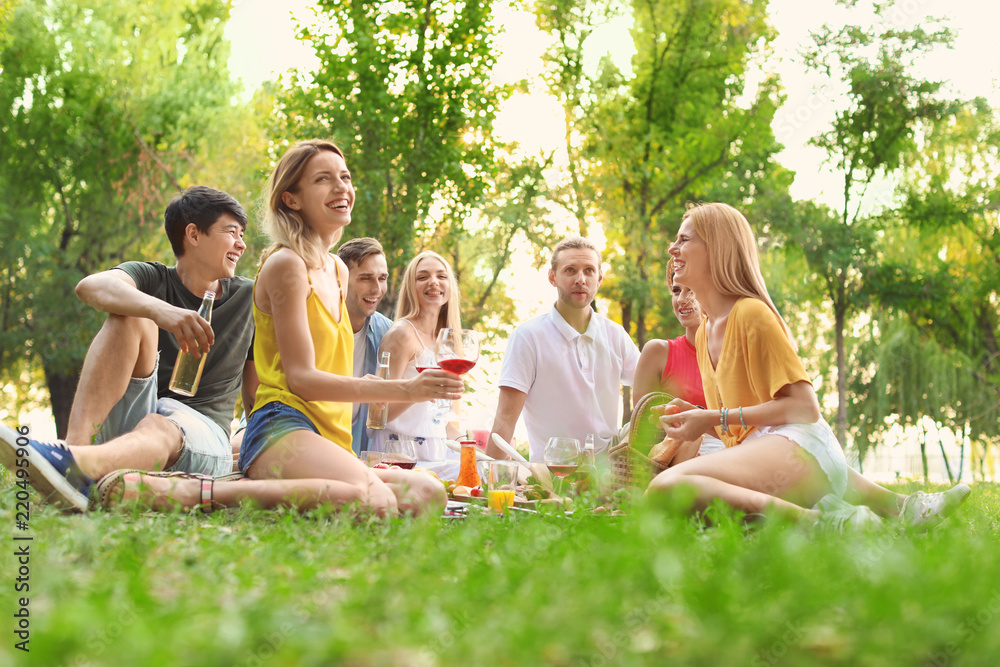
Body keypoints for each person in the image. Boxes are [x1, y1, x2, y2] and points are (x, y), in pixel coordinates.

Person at [646, 203, 971, 529]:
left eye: (684, 239)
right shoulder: (705, 334)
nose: (672, 248)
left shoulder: (750, 314)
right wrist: (697, 419)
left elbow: (804, 408)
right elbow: (739, 430)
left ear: (716, 248)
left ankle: (827, 526)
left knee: (664, 487)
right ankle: (899, 510)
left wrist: (712, 417)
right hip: (769, 451)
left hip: (800, 446)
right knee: (665, 499)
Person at [1, 186, 256, 512]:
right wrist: (161, 311)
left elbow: (257, 391)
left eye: (242, 234)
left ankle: (73, 463)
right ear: (193, 234)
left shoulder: (249, 297)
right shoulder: (153, 278)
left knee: (160, 424)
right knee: (128, 316)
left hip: (202, 436)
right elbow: (90, 286)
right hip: (134, 425)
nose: (241, 243)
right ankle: (72, 456)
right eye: (231, 232)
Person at [486, 236, 640, 463]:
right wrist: (489, 488)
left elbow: (651, 392)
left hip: (610, 476)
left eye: (589, 271)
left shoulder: (616, 335)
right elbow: (505, 420)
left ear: (599, 278)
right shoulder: (528, 337)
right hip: (553, 476)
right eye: (570, 270)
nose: (580, 279)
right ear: (552, 277)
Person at [368, 251, 463, 479]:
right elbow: (376, 417)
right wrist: (417, 393)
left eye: (442, 276)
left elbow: (447, 420)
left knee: (485, 472)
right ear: (411, 287)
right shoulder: (402, 334)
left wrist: (467, 447)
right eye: (422, 277)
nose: (433, 282)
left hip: (439, 450)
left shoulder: (449, 342)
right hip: (399, 453)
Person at [632, 259, 724, 466]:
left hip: (730, 461)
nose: (682, 299)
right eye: (676, 290)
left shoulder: (734, 358)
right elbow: (642, 431)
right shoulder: (658, 353)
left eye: (691, 290)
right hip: (672, 469)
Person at [336, 236, 392, 455]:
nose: (377, 289)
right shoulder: (317, 323)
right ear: (341, 279)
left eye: (382, 278)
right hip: (307, 434)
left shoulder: (387, 333)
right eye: (366, 278)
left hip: (357, 451)